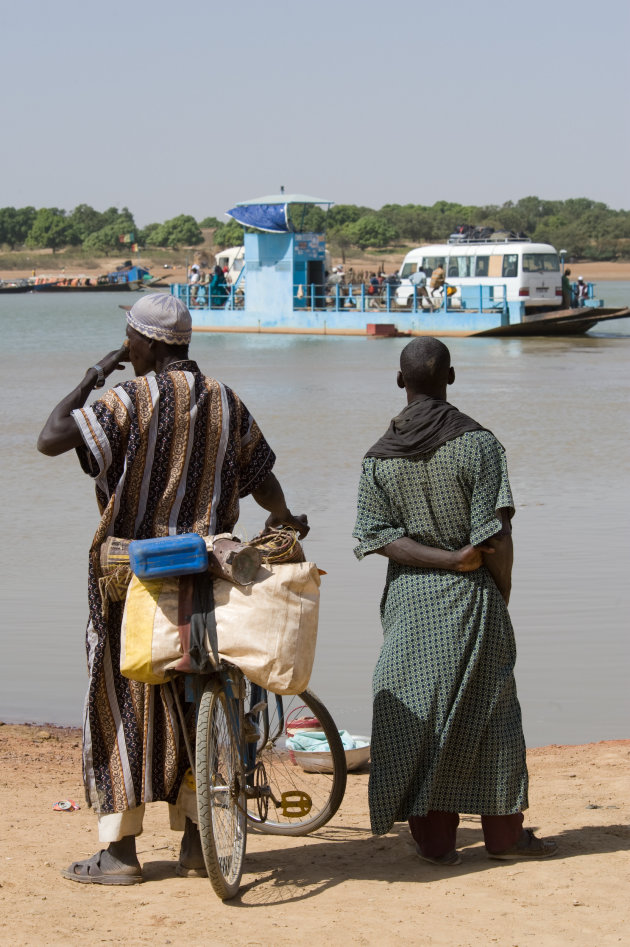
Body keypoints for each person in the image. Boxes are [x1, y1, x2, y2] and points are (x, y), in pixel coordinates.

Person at [37, 293, 309, 885]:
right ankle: (195, 838)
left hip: (131, 576)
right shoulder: (224, 401)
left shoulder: (126, 399)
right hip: (206, 578)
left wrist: (91, 376)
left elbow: (51, 437)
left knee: (124, 702)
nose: (127, 348)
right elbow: (262, 477)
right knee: (204, 687)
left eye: (130, 339)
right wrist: (285, 520)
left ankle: (120, 853)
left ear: (148, 343)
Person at [353, 337, 557, 866]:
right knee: (492, 714)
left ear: (401, 382)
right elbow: (496, 537)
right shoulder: (478, 445)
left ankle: (436, 841)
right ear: (451, 376)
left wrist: (435, 562)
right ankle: (504, 838)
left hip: (408, 604)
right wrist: (497, 587)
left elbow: (375, 536)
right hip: (473, 597)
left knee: (421, 714)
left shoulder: (379, 457)